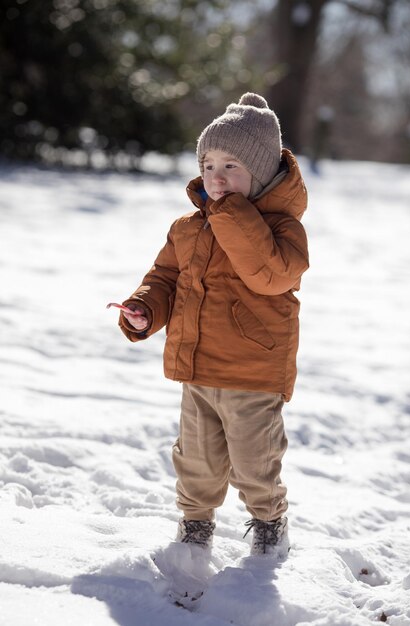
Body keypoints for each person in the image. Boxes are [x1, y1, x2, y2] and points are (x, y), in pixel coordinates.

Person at [118, 93, 309, 557]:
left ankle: (269, 523)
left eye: (231, 167)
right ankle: (195, 523)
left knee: (254, 463)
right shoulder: (188, 227)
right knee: (196, 460)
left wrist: (232, 215)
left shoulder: (284, 228)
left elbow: (269, 274)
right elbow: (165, 277)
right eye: (208, 165)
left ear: (261, 176)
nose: (216, 178)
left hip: (252, 371)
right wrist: (145, 308)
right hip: (197, 366)